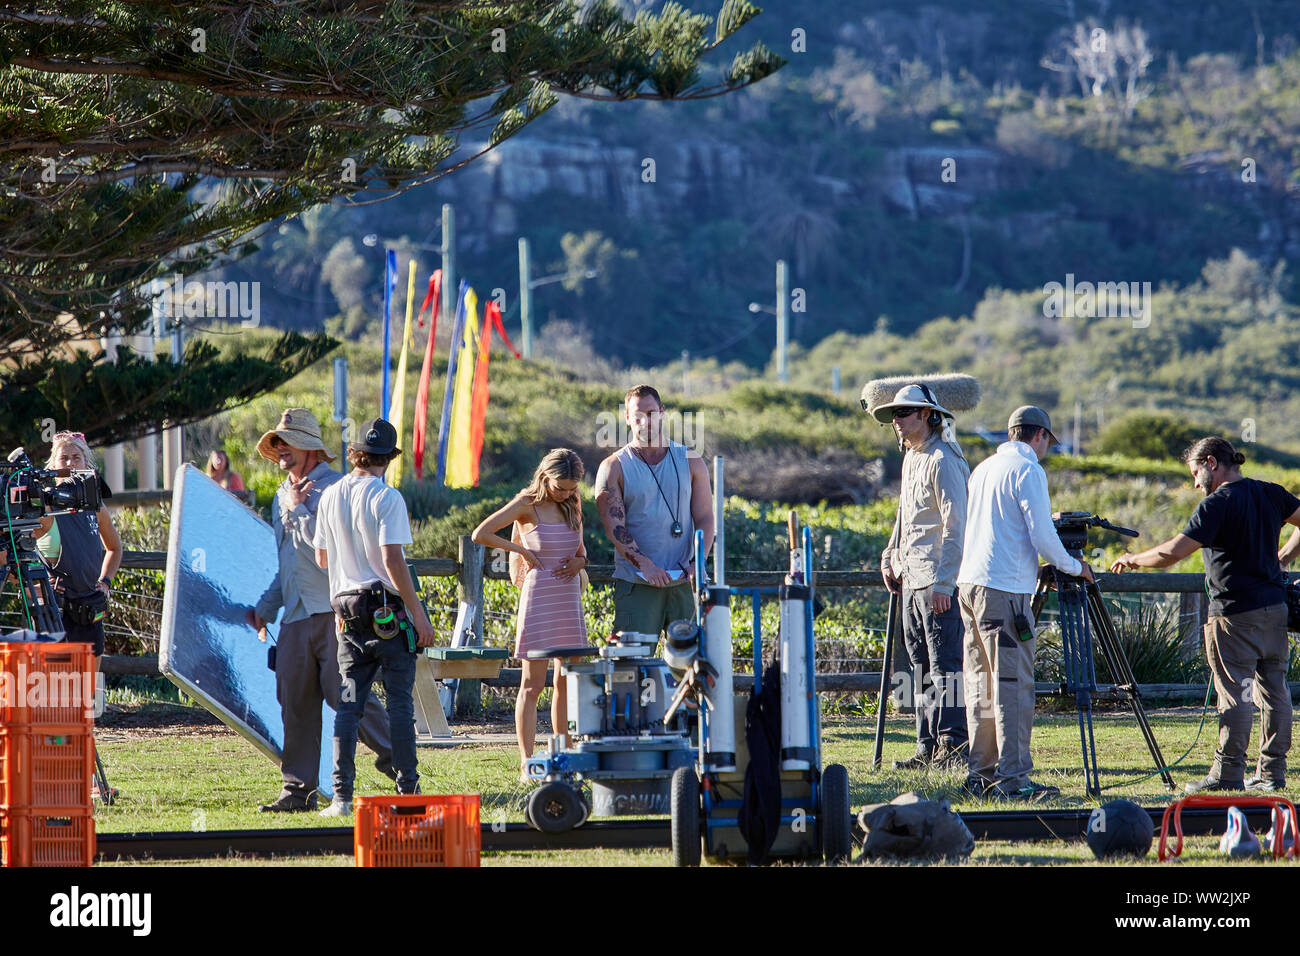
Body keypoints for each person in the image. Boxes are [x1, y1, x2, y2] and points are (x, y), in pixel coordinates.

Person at [1112, 437, 1300, 793]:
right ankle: (1272, 774)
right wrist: (1284, 558)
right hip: (1275, 609)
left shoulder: (1216, 505)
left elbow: (1171, 553)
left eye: (1196, 473)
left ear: (1212, 462)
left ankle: (1228, 774)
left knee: (1236, 694)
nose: (1196, 483)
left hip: (1233, 615)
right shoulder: (1271, 493)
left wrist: (1133, 558)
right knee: (1276, 692)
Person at [243, 407, 395, 813]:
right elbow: (288, 563)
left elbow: (327, 555)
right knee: (294, 704)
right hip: (294, 618)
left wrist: (298, 509)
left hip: (335, 613)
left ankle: (400, 766)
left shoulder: (335, 490)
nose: (279, 450)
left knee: (348, 697)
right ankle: (297, 792)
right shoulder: (282, 495)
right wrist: (266, 607)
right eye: (276, 443)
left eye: (286, 443)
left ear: (309, 448)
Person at [957, 406, 1093, 801]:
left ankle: (980, 775)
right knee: (1013, 686)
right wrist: (1073, 566)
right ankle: (1013, 780)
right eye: (1047, 442)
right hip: (1004, 591)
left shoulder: (983, 468)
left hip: (971, 584)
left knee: (980, 685)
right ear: (1040, 437)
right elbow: (1043, 534)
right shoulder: (1029, 470)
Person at [312, 417, 436, 817]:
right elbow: (391, 559)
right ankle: (407, 792)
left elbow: (322, 558)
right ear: (390, 457)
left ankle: (342, 797)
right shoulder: (387, 498)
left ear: (355, 454)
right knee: (400, 705)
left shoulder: (330, 495)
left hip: (346, 614)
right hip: (388, 616)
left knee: (348, 706)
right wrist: (419, 616)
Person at [472, 449, 588, 781]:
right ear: (545, 476)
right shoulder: (526, 503)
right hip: (539, 598)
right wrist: (520, 549)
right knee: (531, 684)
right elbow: (481, 533)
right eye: (560, 487)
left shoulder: (573, 503)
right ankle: (527, 761)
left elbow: (581, 551)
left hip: (568, 599)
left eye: (570, 488)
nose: (565, 493)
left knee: (565, 682)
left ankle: (562, 756)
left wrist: (581, 562)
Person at [873, 384, 970, 770]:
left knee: (946, 665)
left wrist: (946, 583)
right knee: (920, 667)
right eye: (895, 414)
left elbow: (955, 526)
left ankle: (953, 747)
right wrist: (888, 556)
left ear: (927, 415)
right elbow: (904, 517)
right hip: (910, 577)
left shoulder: (944, 460)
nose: (897, 420)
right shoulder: (912, 457)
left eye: (905, 413)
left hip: (935, 580)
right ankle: (927, 747)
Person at [594, 385, 714, 642]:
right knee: (633, 668)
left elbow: (705, 517)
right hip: (638, 584)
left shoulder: (691, 460)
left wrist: (698, 563)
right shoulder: (613, 467)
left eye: (650, 413)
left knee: (691, 665)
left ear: (662, 413)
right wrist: (646, 565)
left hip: (684, 583)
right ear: (627, 418)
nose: (644, 421)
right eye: (637, 415)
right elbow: (615, 528)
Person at [34, 431, 123, 665]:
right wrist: (32, 586)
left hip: (91, 609)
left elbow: (114, 548)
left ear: (86, 463)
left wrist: (105, 583)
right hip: (54, 613)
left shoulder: (95, 507)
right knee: (55, 694)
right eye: (64, 458)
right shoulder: (46, 509)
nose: (71, 463)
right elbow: (9, 553)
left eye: (76, 457)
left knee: (87, 695)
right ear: (53, 465)